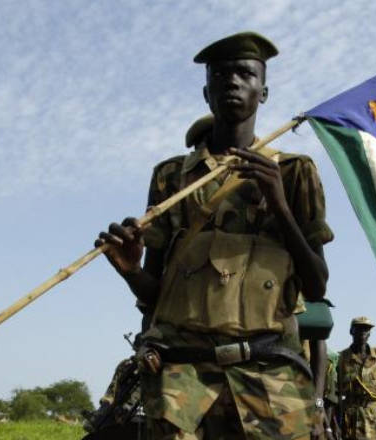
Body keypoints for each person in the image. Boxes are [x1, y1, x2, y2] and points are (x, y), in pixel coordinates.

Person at [95, 31, 333, 440]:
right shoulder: (171, 177)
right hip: (183, 381)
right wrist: (130, 269)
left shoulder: (294, 172)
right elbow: (155, 296)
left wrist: (279, 203)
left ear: (264, 92)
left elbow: (316, 284)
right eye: (221, 75)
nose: (233, 81)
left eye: (245, 73)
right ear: (207, 93)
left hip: (269, 377)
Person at [337, 317, 376, 440]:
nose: (363, 333)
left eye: (366, 329)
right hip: (351, 419)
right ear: (351, 331)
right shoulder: (341, 358)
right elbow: (335, 392)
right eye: (359, 329)